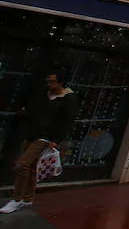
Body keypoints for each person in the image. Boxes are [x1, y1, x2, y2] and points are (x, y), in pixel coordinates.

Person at [2, 69, 79, 214]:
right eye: (48, 81)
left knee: (22, 164)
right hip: (33, 132)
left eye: (53, 81)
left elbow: (68, 121)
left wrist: (57, 140)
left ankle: (16, 199)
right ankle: (27, 198)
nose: (49, 84)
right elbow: (36, 110)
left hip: (46, 136)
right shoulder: (45, 93)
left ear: (61, 82)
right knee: (30, 167)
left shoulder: (68, 98)